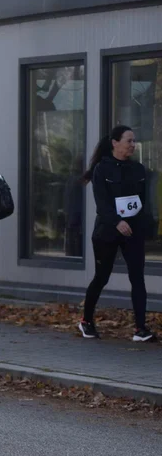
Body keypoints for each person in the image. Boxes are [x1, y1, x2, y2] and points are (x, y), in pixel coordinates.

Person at [79, 126, 155, 342]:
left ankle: (141, 329)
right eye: (128, 141)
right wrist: (117, 221)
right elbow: (101, 204)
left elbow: (142, 202)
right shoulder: (102, 170)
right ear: (115, 142)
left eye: (134, 141)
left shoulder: (138, 169)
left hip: (133, 232)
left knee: (137, 278)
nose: (133, 145)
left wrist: (144, 224)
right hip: (107, 232)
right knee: (101, 277)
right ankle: (86, 321)